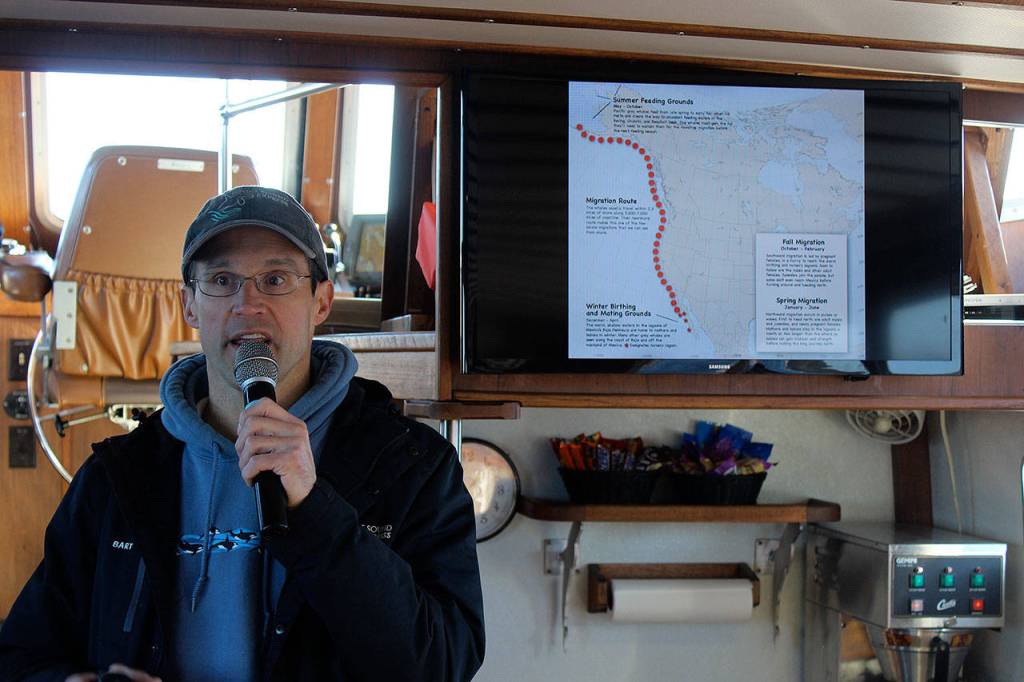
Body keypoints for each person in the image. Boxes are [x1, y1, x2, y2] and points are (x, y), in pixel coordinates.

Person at [0, 186, 485, 681]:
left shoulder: (412, 465)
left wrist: (314, 512)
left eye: (274, 279)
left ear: (321, 300)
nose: (247, 304)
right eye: (222, 280)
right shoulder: (116, 478)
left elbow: (442, 662)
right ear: (189, 305)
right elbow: (22, 655)